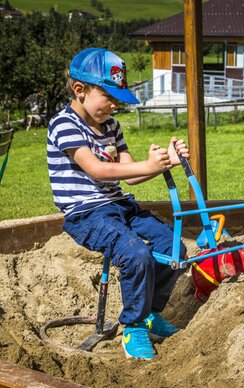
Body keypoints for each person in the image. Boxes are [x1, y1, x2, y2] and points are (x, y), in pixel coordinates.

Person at [47, 48, 189, 360]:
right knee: (135, 252)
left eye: (118, 99)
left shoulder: (111, 126)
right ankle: (133, 327)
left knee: (174, 246)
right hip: (86, 214)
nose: (114, 105)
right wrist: (149, 166)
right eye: (108, 97)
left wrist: (167, 163)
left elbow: (130, 176)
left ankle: (149, 313)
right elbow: (98, 169)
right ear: (80, 90)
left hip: (119, 206)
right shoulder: (64, 125)